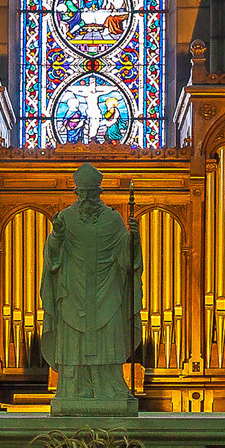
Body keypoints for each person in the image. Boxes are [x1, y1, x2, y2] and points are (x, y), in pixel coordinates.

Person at [40, 163, 142, 415]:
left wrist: (134, 240)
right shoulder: (65, 219)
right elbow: (52, 259)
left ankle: (109, 388)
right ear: (76, 193)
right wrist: (57, 236)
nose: (87, 199)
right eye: (82, 194)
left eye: (91, 194)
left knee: (106, 337)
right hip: (72, 295)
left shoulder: (113, 220)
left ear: (99, 193)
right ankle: (72, 389)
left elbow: (127, 262)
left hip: (107, 294)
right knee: (74, 340)